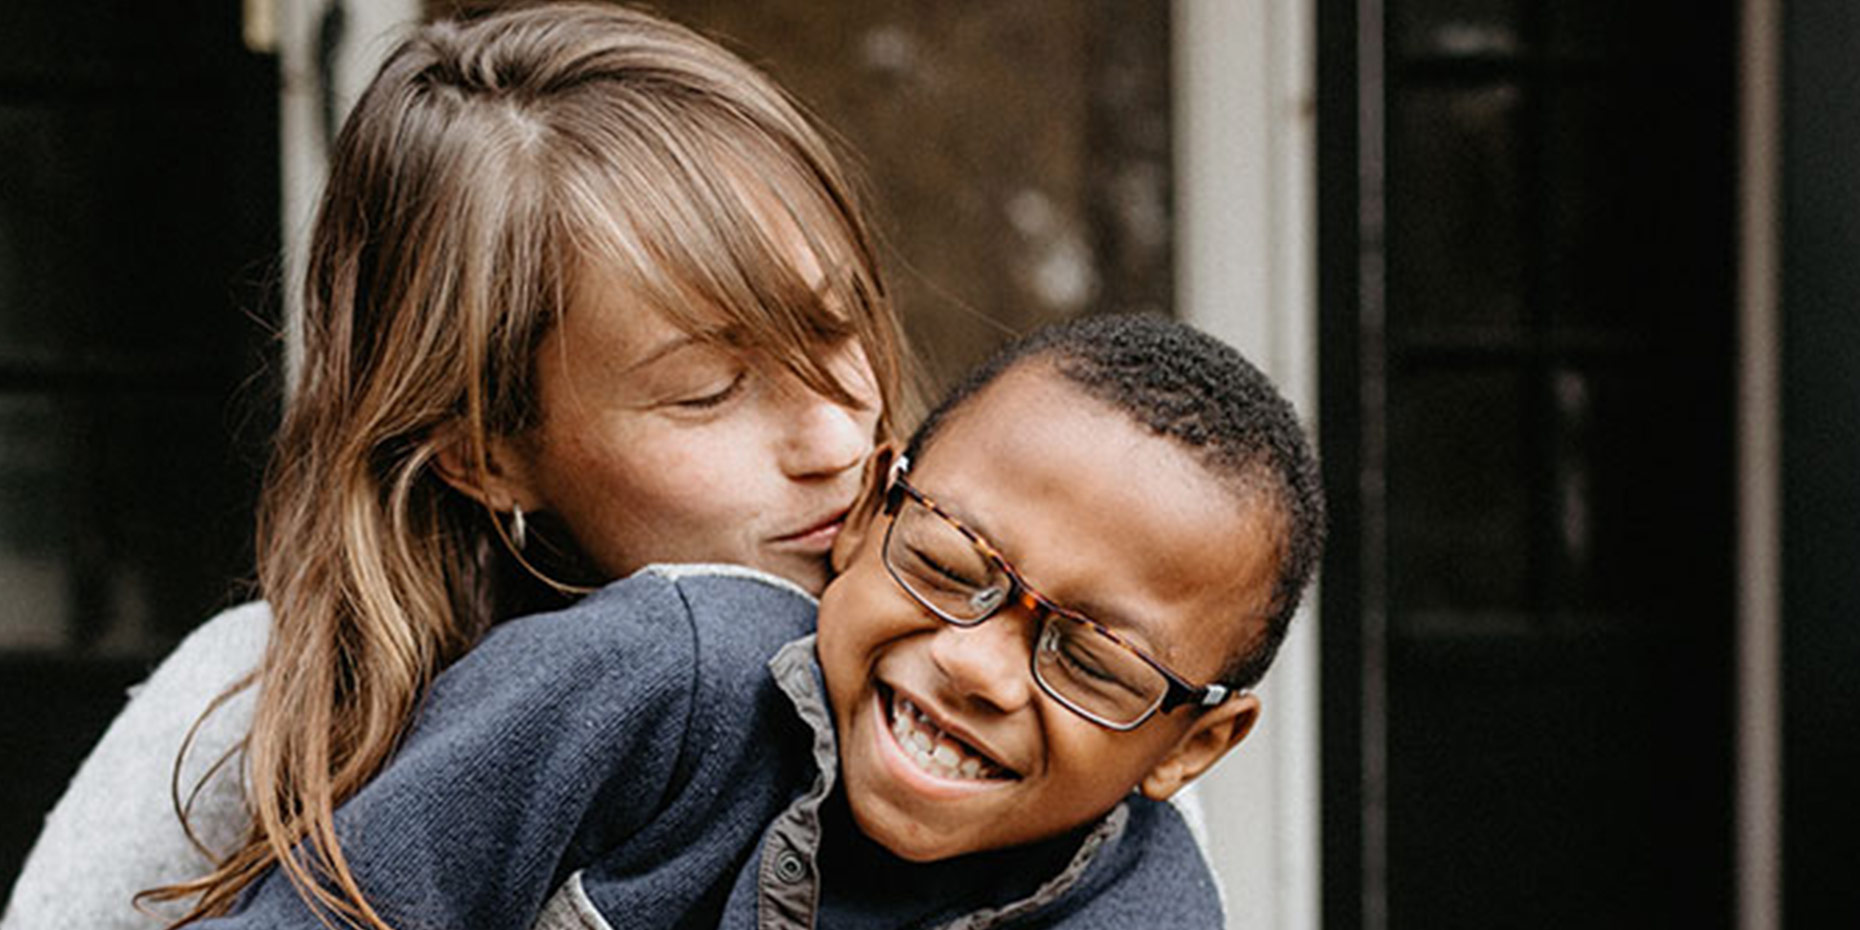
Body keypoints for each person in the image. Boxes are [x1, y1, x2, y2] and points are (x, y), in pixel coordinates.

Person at [0, 4, 913, 929]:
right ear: (483, 456)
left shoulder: (981, 680)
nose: (837, 441)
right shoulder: (251, 717)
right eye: (708, 391)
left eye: (838, 330)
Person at [190, 314, 1327, 930]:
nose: (979, 665)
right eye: (945, 562)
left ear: (1192, 744)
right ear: (869, 508)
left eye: (1092, 657)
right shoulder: (654, 679)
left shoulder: (1149, 914)